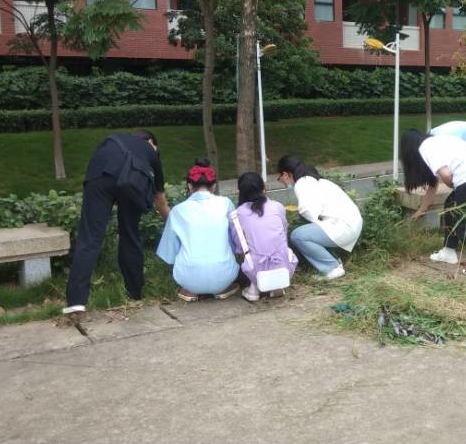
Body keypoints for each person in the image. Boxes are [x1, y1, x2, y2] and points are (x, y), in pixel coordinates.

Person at [63, 130, 170, 316]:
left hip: (99, 175)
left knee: (89, 238)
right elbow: (160, 199)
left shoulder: (114, 139)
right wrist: (172, 223)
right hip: (132, 181)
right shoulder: (150, 151)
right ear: (151, 141)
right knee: (130, 233)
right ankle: (135, 292)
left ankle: (76, 301)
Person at [401, 129, 466, 274]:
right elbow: (434, 185)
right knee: (450, 206)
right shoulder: (437, 141)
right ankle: (448, 251)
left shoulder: (425, 147)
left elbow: (445, 175)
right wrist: (422, 209)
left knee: (461, 223)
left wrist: (453, 184)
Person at [156, 160, 240, 301]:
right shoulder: (226, 204)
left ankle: (190, 289)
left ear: (189, 186)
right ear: (213, 186)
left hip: (188, 276)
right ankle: (222, 287)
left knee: (186, 268)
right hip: (224, 274)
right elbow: (235, 240)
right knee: (226, 268)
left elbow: (169, 254)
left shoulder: (177, 211)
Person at [279, 156, 363, 281]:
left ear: (285, 174)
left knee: (298, 235)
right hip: (350, 224)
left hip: (343, 226)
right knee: (313, 229)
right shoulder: (315, 180)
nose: (282, 182)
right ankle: (335, 262)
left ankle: (331, 268)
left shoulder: (302, 183)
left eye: (279, 178)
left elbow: (308, 212)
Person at [229, 172, 298, 302]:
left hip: (255, 269)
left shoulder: (237, 214)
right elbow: (284, 231)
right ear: (264, 188)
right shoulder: (277, 206)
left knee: (248, 252)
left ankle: (254, 288)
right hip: (284, 267)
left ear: (239, 192)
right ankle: (276, 286)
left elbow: (239, 247)